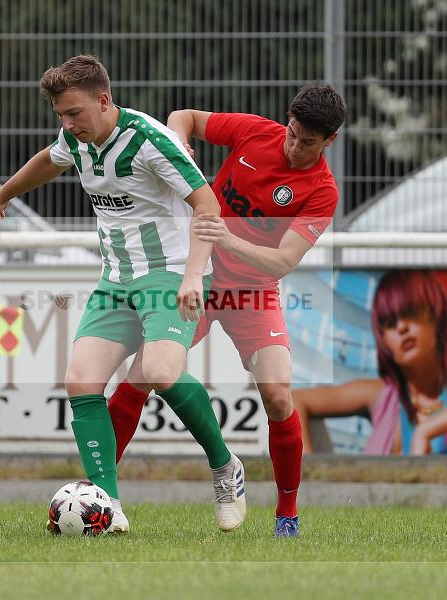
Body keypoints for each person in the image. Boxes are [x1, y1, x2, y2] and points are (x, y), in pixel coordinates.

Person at [0, 55, 246, 534]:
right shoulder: (74, 140)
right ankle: (109, 505)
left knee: (163, 372)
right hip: (116, 279)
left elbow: (208, 204)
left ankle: (226, 469)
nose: (67, 124)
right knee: (81, 381)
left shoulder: (149, 140)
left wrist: (193, 276)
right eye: (60, 115)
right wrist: (3, 197)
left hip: (169, 273)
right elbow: (48, 160)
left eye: (74, 113)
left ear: (104, 100)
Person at [105, 84, 346, 537]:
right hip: (200, 277)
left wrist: (228, 237)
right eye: (292, 134)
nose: (294, 146)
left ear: (329, 140)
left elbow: (284, 261)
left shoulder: (322, 190)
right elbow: (184, 116)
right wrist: (180, 150)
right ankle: (100, 495)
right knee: (140, 377)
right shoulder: (255, 132)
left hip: (254, 292)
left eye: (307, 142)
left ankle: (287, 514)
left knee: (277, 395)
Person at [292, 270, 447, 457]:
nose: (402, 327)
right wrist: (308, 479)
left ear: (435, 318)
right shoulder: (380, 395)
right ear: (383, 341)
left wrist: (427, 430)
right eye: (390, 323)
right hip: (374, 510)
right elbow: (295, 401)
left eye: (411, 313)